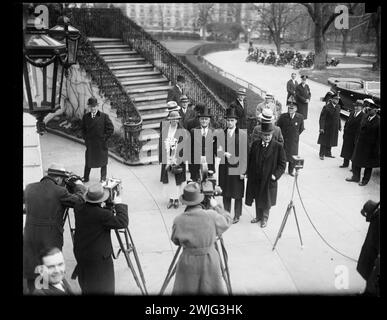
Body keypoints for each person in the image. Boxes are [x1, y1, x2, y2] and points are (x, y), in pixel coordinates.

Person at [23, 163, 86, 294]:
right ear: (57, 179)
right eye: (63, 181)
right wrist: (79, 186)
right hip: (49, 241)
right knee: (47, 271)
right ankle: (44, 291)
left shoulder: (30, 188)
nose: (63, 184)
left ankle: (33, 289)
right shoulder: (60, 191)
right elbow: (79, 201)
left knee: (34, 269)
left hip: (29, 239)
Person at [171, 182, 232, 295]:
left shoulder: (178, 220)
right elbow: (228, 220)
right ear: (200, 199)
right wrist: (217, 207)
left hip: (188, 262)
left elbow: (175, 240)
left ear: (185, 201)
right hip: (210, 261)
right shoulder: (211, 216)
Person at [73, 183, 128, 294]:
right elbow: (122, 221)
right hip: (99, 260)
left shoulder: (79, 208)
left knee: (87, 285)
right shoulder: (103, 215)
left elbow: (97, 213)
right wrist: (119, 204)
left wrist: (106, 206)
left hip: (82, 254)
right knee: (105, 286)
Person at [245, 122, 286, 228]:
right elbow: (250, 160)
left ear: (272, 134)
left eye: (269, 135)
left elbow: (282, 164)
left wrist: (275, 175)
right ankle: (258, 216)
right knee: (257, 197)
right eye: (265, 135)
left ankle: (264, 218)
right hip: (256, 178)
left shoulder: (278, 147)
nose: (267, 137)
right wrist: (248, 173)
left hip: (268, 179)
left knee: (266, 199)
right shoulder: (255, 145)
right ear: (261, 135)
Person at [218, 108, 247, 224]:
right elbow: (217, 149)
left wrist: (243, 171)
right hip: (224, 168)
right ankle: (227, 213)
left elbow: (245, 154)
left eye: (232, 120)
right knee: (226, 192)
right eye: (228, 120)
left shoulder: (242, 135)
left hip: (237, 167)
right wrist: (223, 153)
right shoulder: (221, 134)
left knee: (237, 192)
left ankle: (237, 215)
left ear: (236, 121)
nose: (229, 123)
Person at [81, 97, 114, 183]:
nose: (93, 108)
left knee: (103, 162)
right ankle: (86, 177)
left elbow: (111, 129)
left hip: (101, 144)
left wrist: (104, 138)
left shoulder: (104, 116)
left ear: (97, 106)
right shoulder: (85, 117)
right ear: (89, 107)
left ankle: (103, 178)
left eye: (94, 106)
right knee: (88, 161)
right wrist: (86, 139)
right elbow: (83, 130)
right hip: (91, 144)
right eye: (91, 106)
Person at [346, 102, 380, 186]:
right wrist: (356, 140)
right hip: (360, 144)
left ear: (375, 110)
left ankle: (365, 181)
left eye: (371, 109)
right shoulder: (365, 117)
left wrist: (376, 150)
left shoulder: (378, 121)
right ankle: (355, 177)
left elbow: (379, 138)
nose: (369, 110)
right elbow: (359, 129)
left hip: (370, 148)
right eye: (368, 109)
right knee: (356, 161)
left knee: (368, 165)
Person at [159, 110, 187, 209]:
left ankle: (177, 200)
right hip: (167, 157)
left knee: (177, 180)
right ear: (169, 120)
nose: (174, 121)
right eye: (172, 119)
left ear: (178, 120)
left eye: (176, 119)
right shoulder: (165, 130)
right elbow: (161, 144)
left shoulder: (182, 131)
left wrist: (178, 158)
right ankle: (171, 199)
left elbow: (185, 146)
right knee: (170, 179)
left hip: (178, 158)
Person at [357, 200, 380, 296]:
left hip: (376, 257)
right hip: (371, 251)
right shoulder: (376, 217)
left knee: (373, 281)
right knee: (369, 274)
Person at [189, 105, 217, 182]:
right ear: (199, 120)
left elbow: (216, 149)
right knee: (196, 185)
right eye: (202, 119)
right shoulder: (193, 131)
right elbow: (190, 149)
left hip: (209, 163)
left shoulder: (213, 132)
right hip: (196, 164)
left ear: (209, 120)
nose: (204, 121)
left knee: (208, 185)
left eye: (206, 119)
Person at [276, 103, 305, 176]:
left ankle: (290, 171)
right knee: (283, 155)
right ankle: (281, 170)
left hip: (293, 140)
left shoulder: (300, 117)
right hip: (284, 139)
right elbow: (278, 126)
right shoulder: (283, 116)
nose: (290, 110)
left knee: (293, 156)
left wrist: (295, 135)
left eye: (292, 108)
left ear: (296, 109)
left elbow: (301, 128)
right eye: (289, 108)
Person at [339, 100, 364, 169]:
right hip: (348, 135)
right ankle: (345, 163)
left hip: (355, 137)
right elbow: (347, 123)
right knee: (346, 149)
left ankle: (353, 168)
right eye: (355, 106)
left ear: (361, 107)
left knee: (354, 152)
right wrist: (345, 132)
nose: (356, 108)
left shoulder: (363, 116)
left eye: (358, 106)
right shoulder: (352, 113)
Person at [317, 92, 341, 160]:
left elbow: (338, 117)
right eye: (336, 99)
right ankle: (321, 154)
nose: (337, 100)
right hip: (326, 127)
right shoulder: (326, 107)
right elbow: (322, 118)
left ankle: (328, 153)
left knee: (331, 140)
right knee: (324, 141)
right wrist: (321, 127)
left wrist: (339, 126)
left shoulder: (338, 107)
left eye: (338, 99)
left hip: (334, 127)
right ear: (332, 99)